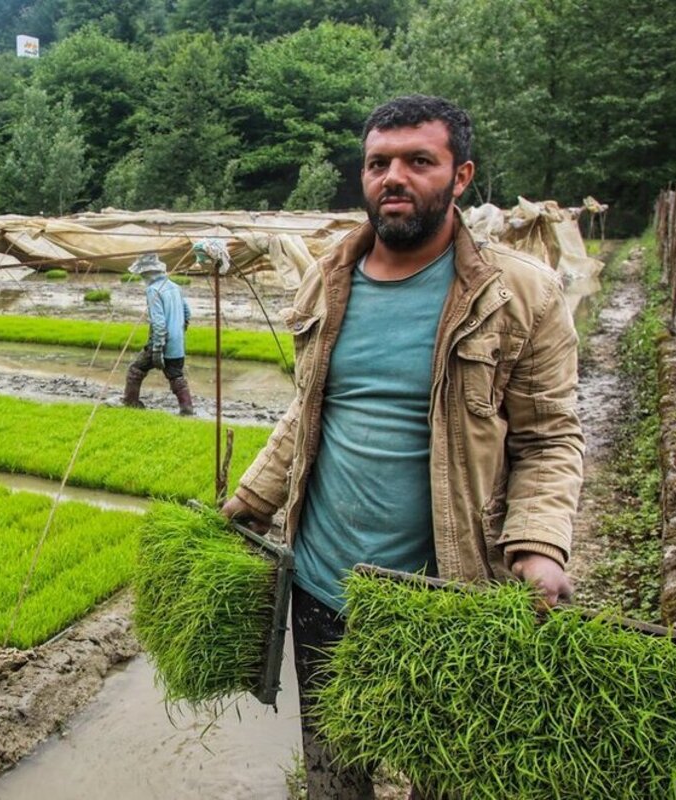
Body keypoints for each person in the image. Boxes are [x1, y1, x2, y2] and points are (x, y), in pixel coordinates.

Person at [221, 95, 584, 799]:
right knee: (333, 770)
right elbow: (310, 409)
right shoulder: (325, 278)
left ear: (459, 175)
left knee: (446, 772)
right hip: (321, 583)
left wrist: (538, 543)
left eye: (419, 161)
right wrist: (250, 501)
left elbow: (547, 436)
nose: (394, 177)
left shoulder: (520, 294)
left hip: (447, 595)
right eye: (377, 163)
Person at [122, 252, 195, 416]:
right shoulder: (175, 287)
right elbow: (187, 313)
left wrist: (157, 348)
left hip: (162, 342)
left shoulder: (153, 290)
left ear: (147, 273)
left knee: (135, 370)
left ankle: (130, 401)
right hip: (177, 342)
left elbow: (159, 323)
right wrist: (179, 332)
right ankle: (187, 408)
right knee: (176, 375)